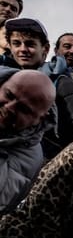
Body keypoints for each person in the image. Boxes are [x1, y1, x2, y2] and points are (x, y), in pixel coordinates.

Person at [0, 67, 54, 212]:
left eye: (24, 109)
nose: (9, 107)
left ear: (39, 119)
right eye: (9, 95)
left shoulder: (28, 160)